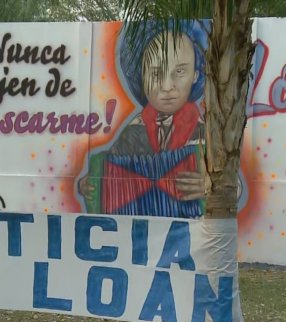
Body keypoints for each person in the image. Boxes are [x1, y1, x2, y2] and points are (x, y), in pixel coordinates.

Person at [78, 28, 207, 218]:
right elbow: (107, 169)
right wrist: (87, 184)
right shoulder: (135, 130)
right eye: (155, 74)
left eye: (179, 71)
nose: (166, 86)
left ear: (195, 75)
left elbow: (232, 185)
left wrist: (211, 187)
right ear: (142, 78)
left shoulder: (205, 132)